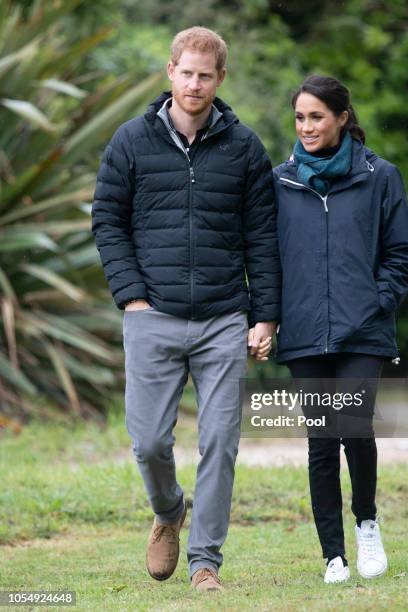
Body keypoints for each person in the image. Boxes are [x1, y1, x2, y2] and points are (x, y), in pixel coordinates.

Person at [92, 26, 280, 592]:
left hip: (224, 315)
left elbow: (263, 238)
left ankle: (205, 563)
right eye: (186, 72)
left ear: (221, 79)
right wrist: (133, 297)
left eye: (206, 75)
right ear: (169, 72)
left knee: (221, 440)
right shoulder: (130, 141)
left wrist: (264, 315)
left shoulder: (245, 148)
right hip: (153, 313)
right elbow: (107, 221)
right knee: (149, 442)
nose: (195, 84)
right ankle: (169, 510)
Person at [273, 75, 408, 584]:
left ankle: (367, 523)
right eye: (299, 117)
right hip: (304, 330)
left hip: (363, 329)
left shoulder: (382, 176)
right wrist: (270, 316)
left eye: (317, 116)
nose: (307, 127)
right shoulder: (282, 182)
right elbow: (267, 259)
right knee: (321, 439)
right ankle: (332, 555)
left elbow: (403, 252)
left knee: (354, 428)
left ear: (341, 117)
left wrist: (376, 302)